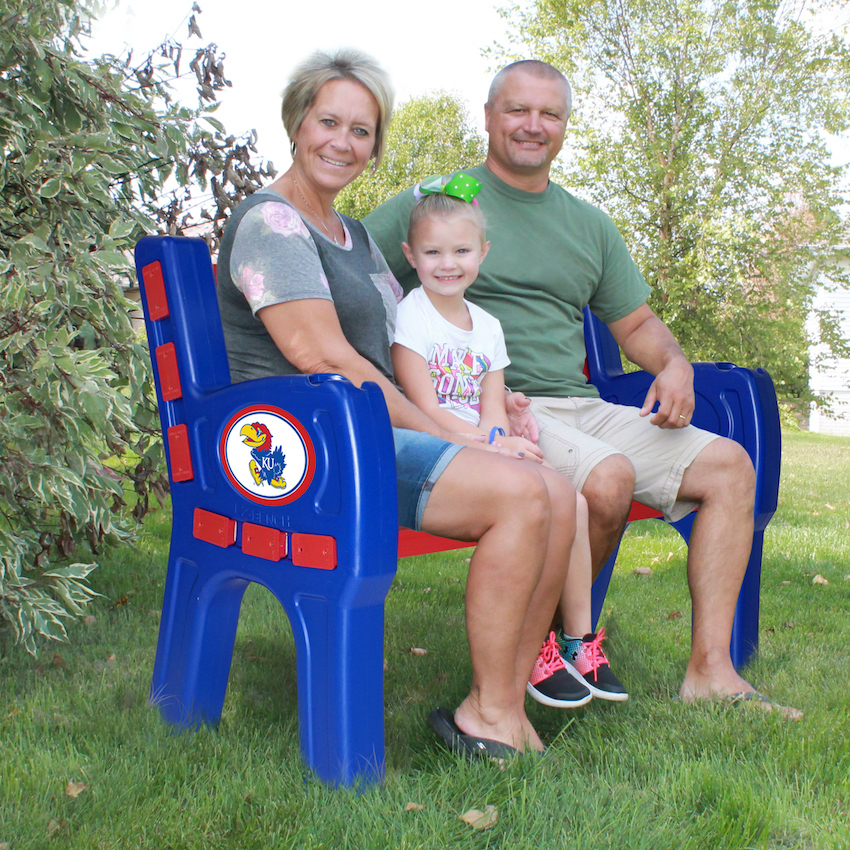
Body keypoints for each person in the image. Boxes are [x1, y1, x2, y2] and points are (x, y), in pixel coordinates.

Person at [364, 59, 801, 718]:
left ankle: (711, 671)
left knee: (730, 468)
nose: (533, 125)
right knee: (606, 480)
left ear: (565, 127)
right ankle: (551, 648)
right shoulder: (442, 202)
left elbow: (638, 322)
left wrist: (674, 364)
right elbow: (351, 268)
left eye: (550, 114)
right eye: (518, 110)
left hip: (584, 404)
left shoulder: (587, 223)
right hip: (499, 409)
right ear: (489, 117)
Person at [215, 47, 589, 758]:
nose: (343, 142)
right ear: (296, 123)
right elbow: (322, 356)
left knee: (556, 488)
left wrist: (492, 408)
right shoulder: (272, 224)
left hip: (362, 430)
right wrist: (459, 439)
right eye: (329, 122)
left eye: (362, 131)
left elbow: (407, 345)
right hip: (305, 447)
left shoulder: (352, 236)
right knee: (521, 495)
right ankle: (494, 710)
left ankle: (498, 705)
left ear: (375, 147)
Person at [391, 179, 627, 705]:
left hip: (483, 444)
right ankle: (532, 650)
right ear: (410, 255)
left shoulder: (489, 327)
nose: (447, 263)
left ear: (483, 254)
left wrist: (502, 437)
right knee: (539, 495)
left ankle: (576, 641)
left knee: (574, 498)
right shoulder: (411, 316)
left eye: (461, 250)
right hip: (437, 445)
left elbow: (492, 404)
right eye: (432, 251)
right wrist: (493, 446)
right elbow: (424, 407)